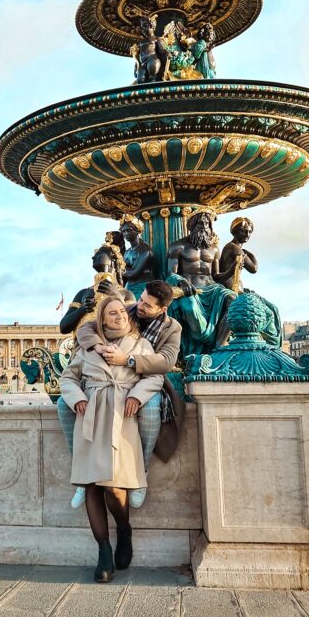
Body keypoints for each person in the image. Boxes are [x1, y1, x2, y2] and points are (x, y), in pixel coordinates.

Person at [60, 296, 163, 582]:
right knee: (92, 484)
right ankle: (103, 551)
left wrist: (137, 396)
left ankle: (124, 529)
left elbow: (154, 377)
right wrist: (77, 398)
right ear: (102, 319)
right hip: (91, 415)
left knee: (114, 485)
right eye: (112, 313)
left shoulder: (140, 345)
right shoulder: (86, 347)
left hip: (122, 414)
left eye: (122, 312)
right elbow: (68, 378)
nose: (119, 317)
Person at [61, 280, 182, 510]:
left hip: (148, 381)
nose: (140, 306)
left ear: (162, 310)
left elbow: (165, 362)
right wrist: (96, 347)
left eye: (148, 305)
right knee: (63, 405)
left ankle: (141, 473)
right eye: (141, 299)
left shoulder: (171, 327)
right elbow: (88, 327)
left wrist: (127, 360)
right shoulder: (128, 311)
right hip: (109, 384)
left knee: (148, 410)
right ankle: (80, 467)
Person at [166, 210, 236, 358]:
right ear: (191, 225)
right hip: (190, 289)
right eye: (200, 223)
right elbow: (170, 273)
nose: (204, 226)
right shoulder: (178, 246)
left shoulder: (214, 249)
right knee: (189, 307)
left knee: (234, 302)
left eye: (207, 224)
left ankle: (219, 346)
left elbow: (216, 275)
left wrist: (233, 269)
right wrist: (181, 281)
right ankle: (201, 342)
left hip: (212, 289)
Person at [218, 217, 282, 348]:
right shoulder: (234, 248)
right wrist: (249, 253)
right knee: (269, 313)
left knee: (273, 309)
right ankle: (272, 345)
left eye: (249, 232)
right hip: (233, 290)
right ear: (235, 232)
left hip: (239, 289)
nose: (247, 235)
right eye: (244, 231)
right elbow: (254, 268)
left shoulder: (234, 248)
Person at [120, 215, 157, 299]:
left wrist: (116, 267)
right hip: (128, 288)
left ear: (137, 230)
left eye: (128, 230)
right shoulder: (128, 251)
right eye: (123, 231)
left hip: (143, 289)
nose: (125, 234)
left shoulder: (145, 251)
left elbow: (133, 273)